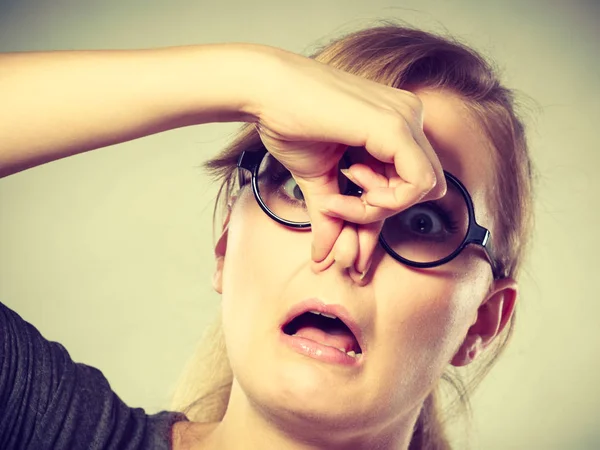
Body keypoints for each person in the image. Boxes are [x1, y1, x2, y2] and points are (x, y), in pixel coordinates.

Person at [0, 23, 534, 450]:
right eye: (301, 190)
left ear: (480, 322)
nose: (348, 247)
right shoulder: (49, 427)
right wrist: (254, 79)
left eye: (422, 222)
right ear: (225, 246)